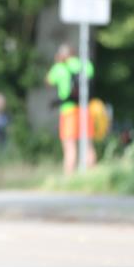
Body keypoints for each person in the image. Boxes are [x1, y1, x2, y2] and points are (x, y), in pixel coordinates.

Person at [46, 43, 97, 176]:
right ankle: (91, 175)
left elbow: (49, 81)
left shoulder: (59, 67)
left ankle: (69, 177)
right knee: (88, 144)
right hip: (85, 108)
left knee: (69, 145)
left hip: (68, 110)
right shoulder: (85, 64)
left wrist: (58, 63)